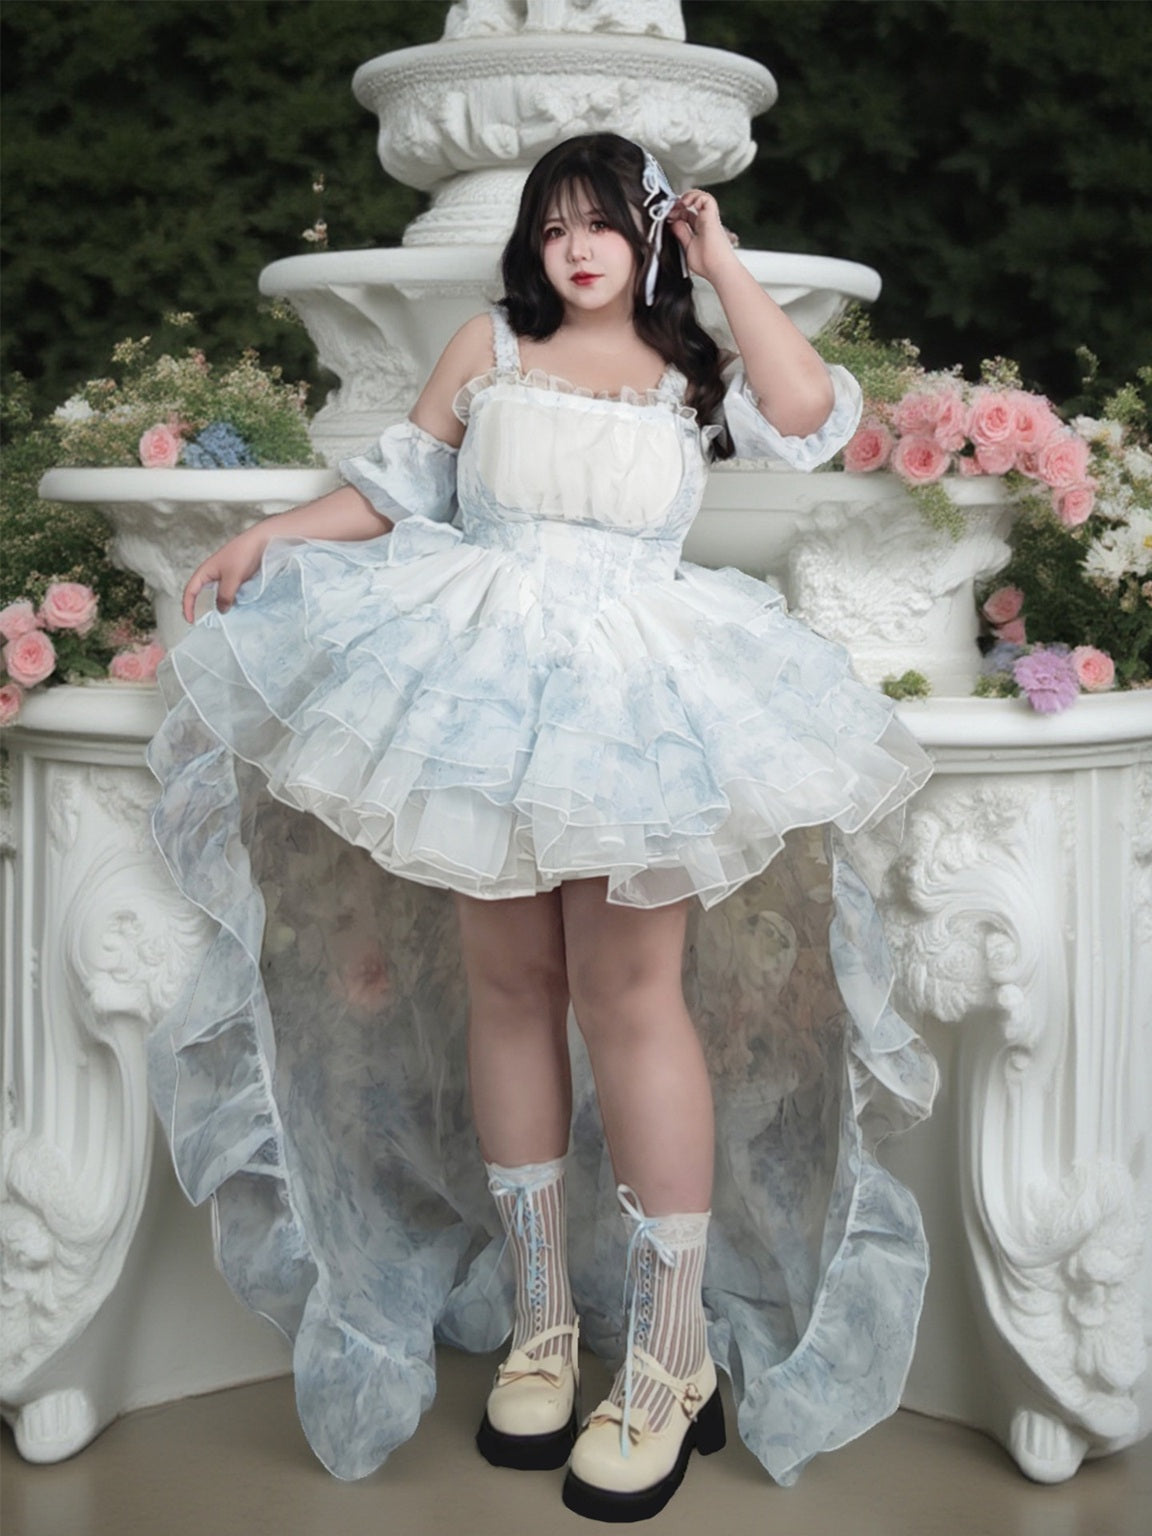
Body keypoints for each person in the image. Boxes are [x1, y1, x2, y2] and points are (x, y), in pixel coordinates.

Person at [149, 133, 936, 1523]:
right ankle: (541, 1327)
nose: (578, 249)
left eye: (606, 226)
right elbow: (396, 492)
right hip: (482, 685)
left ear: (646, 237)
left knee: (632, 1001)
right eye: (555, 226)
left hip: (637, 698)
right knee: (509, 990)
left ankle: (673, 1359)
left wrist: (720, 253)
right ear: (531, 243)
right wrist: (270, 535)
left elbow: (812, 409)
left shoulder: (693, 372)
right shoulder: (488, 351)